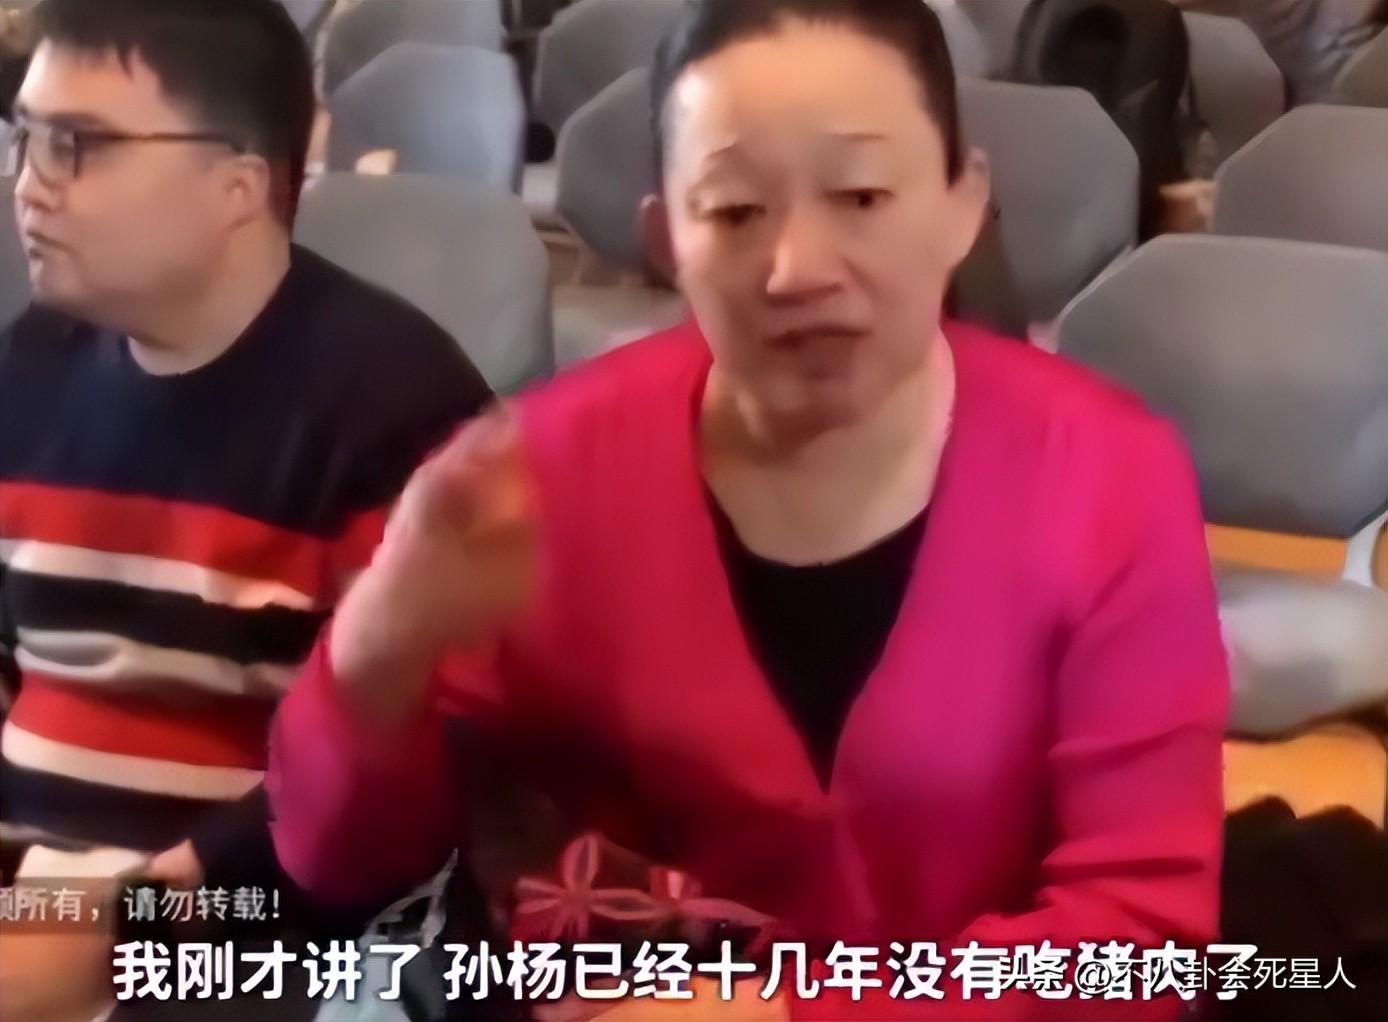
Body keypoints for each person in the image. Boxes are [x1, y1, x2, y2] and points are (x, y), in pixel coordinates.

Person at [269, 1, 1229, 1018]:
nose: (796, 268)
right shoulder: (532, 479)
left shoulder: (1105, 477)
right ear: (665, 239)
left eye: (860, 195)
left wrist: (779, 1014)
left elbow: (1140, 935)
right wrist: (379, 650)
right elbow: (339, 862)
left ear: (963, 204)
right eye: (733, 212)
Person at [0, 0, 490, 1016]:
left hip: (251, 929)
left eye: (77, 145)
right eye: (25, 137)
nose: (29, 184)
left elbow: (409, 776)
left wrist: (125, 923)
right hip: (41, 892)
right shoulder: (31, 365)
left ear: (237, 184)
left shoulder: (394, 407)